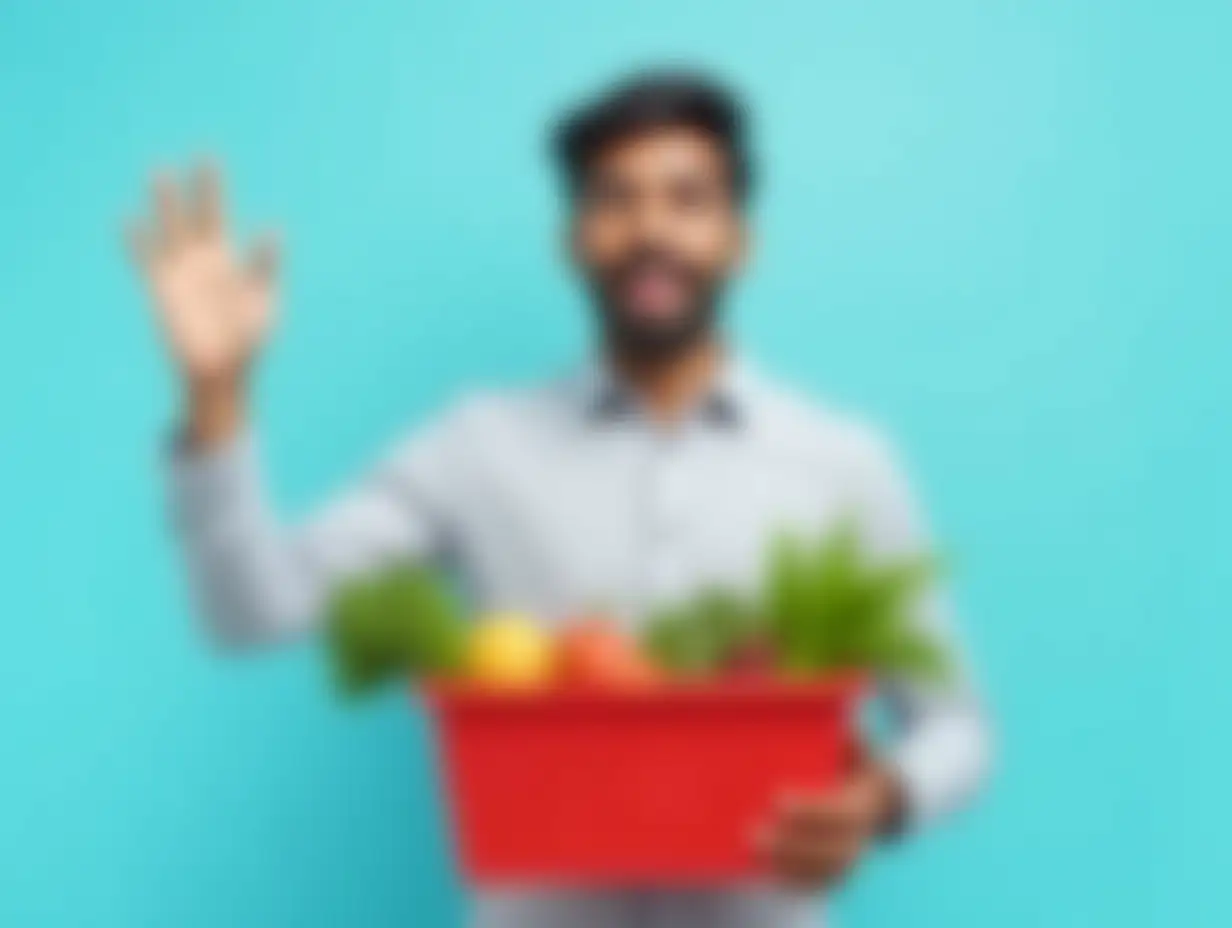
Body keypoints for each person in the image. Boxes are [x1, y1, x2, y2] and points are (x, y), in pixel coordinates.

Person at [126, 70, 990, 928]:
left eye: (688, 199)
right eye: (614, 200)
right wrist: (217, 397)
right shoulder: (477, 446)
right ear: (573, 239)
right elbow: (251, 613)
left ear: (740, 239)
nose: (650, 229)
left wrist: (881, 798)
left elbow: (955, 730)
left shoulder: (843, 462)